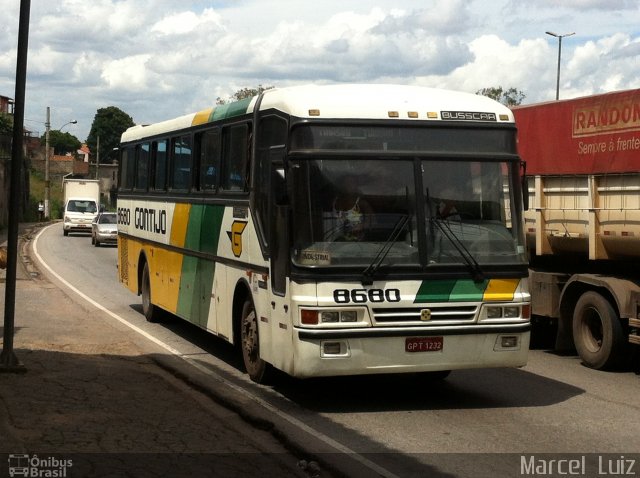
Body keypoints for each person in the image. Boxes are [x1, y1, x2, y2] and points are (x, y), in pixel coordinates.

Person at [327, 175, 373, 241]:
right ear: (341, 185)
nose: (349, 185)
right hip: (335, 242)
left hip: (357, 242)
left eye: (352, 182)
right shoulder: (334, 201)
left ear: (356, 185)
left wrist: (362, 225)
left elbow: (373, 221)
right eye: (346, 182)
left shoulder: (361, 203)